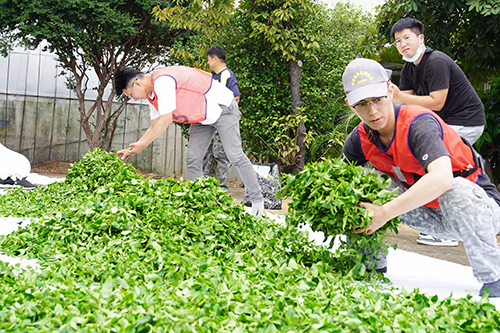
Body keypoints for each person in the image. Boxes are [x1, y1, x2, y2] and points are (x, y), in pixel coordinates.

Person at [340, 58, 500, 297]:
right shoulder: (359, 139)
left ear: (390, 91)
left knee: (456, 188)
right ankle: (369, 266)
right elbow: (339, 184)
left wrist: (384, 213)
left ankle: (494, 279)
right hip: (428, 217)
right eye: (362, 104)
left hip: (477, 214)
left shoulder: (418, 123)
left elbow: (443, 179)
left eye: (378, 100)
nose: (372, 111)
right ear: (350, 105)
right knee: (359, 182)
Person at [113, 66, 264, 216]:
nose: (134, 98)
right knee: (193, 158)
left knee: (234, 155)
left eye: (130, 94)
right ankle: (199, 206)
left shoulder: (163, 81)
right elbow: (154, 125)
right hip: (201, 117)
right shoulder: (152, 96)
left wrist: (142, 145)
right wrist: (134, 149)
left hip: (222, 108)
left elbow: (165, 121)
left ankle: (258, 204)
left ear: (136, 84)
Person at [391, 18, 486, 246]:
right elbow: (406, 108)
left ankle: (447, 232)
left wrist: (398, 97)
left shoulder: (437, 62)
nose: (403, 44)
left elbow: (437, 102)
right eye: (397, 41)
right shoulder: (408, 69)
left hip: (465, 122)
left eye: (407, 38)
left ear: (420, 38)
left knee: (441, 170)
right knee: (421, 160)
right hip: (442, 124)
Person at [203, 46, 240, 189]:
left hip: (222, 125)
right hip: (210, 123)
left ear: (215, 59)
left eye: (208, 59)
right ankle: (202, 186)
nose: (208, 63)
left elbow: (235, 97)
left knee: (221, 156)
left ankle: (220, 189)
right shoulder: (213, 77)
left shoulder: (227, 75)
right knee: (206, 153)